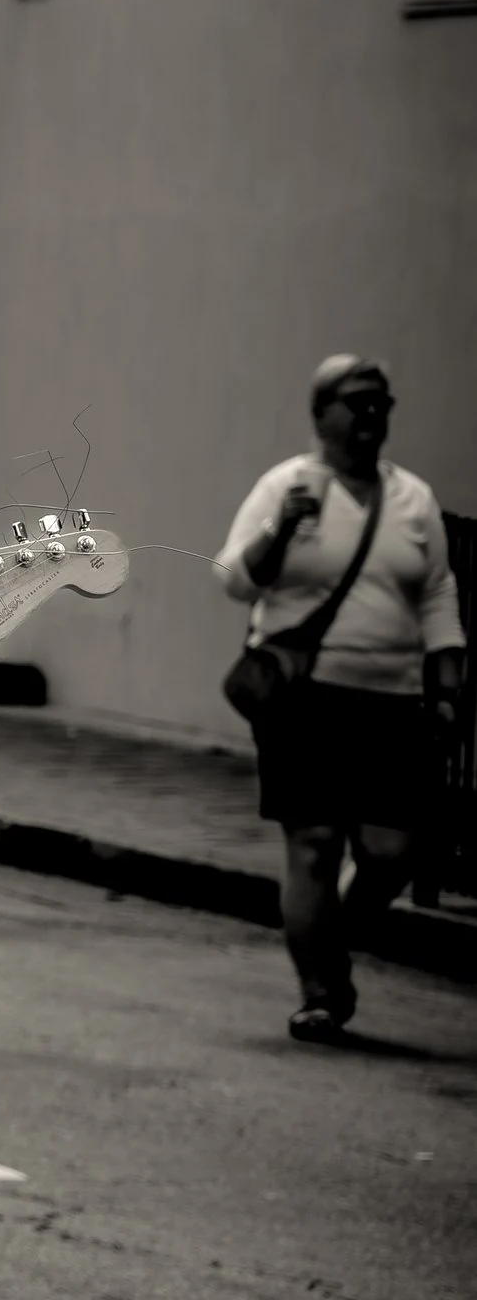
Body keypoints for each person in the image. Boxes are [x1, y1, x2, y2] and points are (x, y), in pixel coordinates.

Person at [215, 355, 465, 1043]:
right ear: (321, 412)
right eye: (356, 403)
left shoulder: (411, 498)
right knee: (315, 844)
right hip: (305, 698)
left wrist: (446, 684)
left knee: (393, 850)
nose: (370, 416)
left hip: (392, 701)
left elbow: (438, 592)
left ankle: (333, 943)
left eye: (381, 403)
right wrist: (282, 530)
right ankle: (321, 992)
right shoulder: (286, 487)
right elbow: (235, 580)